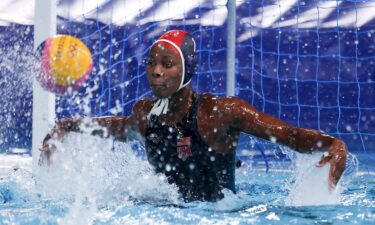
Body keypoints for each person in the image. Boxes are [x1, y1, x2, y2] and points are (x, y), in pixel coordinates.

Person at [39, 30, 348, 202]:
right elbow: (120, 128)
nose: (156, 70)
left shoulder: (219, 113)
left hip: (222, 215)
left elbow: (286, 135)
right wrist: (67, 126)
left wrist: (331, 144)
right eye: (151, 62)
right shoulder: (146, 113)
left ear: (186, 69)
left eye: (167, 63)